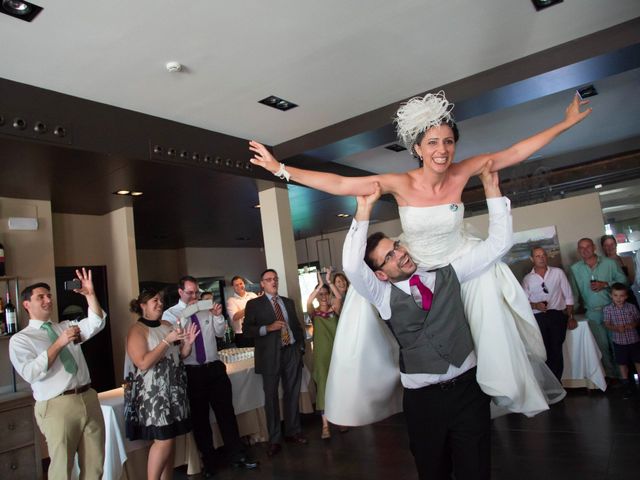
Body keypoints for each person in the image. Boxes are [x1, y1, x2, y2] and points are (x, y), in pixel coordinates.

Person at [249, 91, 588, 418]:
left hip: (462, 262)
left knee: (488, 325)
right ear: (418, 149)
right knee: (414, 332)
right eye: (433, 143)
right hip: (418, 268)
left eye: (448, 142)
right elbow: (339, 184)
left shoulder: (463, 170)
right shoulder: (400, 182)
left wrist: (566, 123)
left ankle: (493, 389)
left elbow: (515, 151)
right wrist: (281, 169)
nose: (442, 150)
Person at [341, 167, 509, 480]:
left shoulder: (450, 273)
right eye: (389, 258)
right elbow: (351, 264)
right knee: (432, 472)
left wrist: (492, 191)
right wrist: (364, 209)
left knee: (477, 471)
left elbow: (497, 245)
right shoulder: (381, 296)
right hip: (423, 402)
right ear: (379, 274)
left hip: (469, 392)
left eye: (396, 247)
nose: (399, 255)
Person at [9, 269, 106, 480]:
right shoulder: (21, 339)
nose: (47, 300)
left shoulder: (65, 326)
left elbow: (96, 323)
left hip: (88, 397)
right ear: (27, 305)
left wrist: (90, 294)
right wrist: (60, 343)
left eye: (49, 295)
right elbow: (31, 373)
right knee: (62, 467)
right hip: (56, 405)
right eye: (40, 297)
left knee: (95, 465)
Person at [162, 276, 257, 476]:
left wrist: (217, 316)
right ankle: (209, 461)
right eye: (190, 293)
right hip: (192, 370)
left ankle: (237, 455)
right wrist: (186, 316)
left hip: (214, 366)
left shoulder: (206, 308)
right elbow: (174, 344)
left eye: (196, 292)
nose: (194, 296)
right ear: (180, 292)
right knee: (200, 418)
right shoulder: (171, 315)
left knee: (226, 413)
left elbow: (220, 333)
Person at [125, 287, 198, 480]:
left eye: (160, 300)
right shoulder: (137, 331)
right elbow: (143, 362)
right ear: (143, 306)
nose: (160, 304)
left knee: (170, 440)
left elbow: (179, 356)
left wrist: (188, 344)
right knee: (163, 440)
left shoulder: (166, 324)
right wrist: (166, 341)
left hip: (174, 390)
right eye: (154, 301)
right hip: (154, 394)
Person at [243, 269, 307, 457]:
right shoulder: (254, 304)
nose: (273, 282)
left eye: (275, 279)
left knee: (292, 393)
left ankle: (293, 432)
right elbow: (247, 330)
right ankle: (274, 439)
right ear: (262, 284)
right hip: (270, 355)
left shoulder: (287, 302)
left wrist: (300, 349)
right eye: (269, 280)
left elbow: (296, 326)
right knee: (271, 397)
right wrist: (267, 328)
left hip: (291, 352)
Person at [570, 238, 628, 379]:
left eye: (588, 247)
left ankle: (624, 378)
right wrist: (570, 315)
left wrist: (606, 284)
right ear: (578, 251)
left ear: (594, 247)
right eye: (581, 248)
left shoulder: (609, 263)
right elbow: (574, 293)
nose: (585, 250)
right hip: (593, 312)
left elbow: (624, 281)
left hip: (614, 310)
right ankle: (611, 377)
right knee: (602, 347)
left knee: (618, 346)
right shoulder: (575, 269)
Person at [522, 246, 576, 381]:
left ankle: (557, 383)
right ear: (531, 259)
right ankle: (549, 384)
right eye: (537, 256)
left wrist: (570, 317)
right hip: (538, 317)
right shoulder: (527, 279)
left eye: (543, 255)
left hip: (557, 315)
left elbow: (568, 296)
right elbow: (522, 302)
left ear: (547, 256)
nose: (541, 258)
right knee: (543, 350)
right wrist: (536, 305)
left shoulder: (558, 273)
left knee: (556, 349)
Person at [306, 269, 342, 439]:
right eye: (320, 294)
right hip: (320, 356)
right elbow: (308, 301)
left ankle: (341, 419)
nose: (323, 296)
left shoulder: (334, 310)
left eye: (325, 293)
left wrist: (329, 282)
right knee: (323, 388)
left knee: (339, 386)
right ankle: (325, 426)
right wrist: (320, 285)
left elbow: (339, 298)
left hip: (337, 355)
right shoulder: (314, 314)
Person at [603, 283, 640, 399]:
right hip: (619, 342)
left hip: (634, 340)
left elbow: (637, 320)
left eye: (621, 296)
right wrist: (616, 328)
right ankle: (626, 387)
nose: (619, 298)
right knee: (622, 364)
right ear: (611, 296)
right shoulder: (608, 309)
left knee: (638, 361)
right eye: (616, 295)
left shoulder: (632, 307)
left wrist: (632, 325)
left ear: (626, 296)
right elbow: (607, 324)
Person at [226, 275, 258, 347]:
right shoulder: (231, 301)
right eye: (236, 285)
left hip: (256, 331)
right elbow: (235, 317)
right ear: (233, 287)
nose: (239, 286)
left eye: (241, 283)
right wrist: (250, 307)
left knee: (260, 355)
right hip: (242, 335)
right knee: (246, 357)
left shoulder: (252, 295)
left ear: (244, 284)